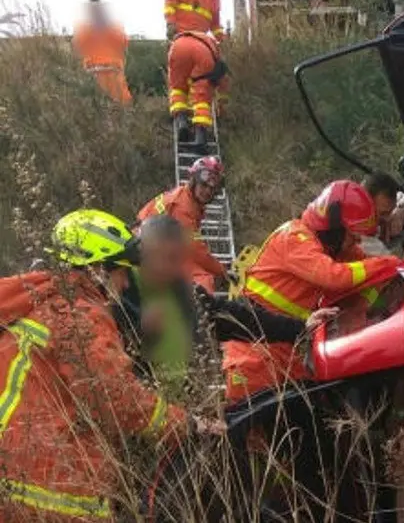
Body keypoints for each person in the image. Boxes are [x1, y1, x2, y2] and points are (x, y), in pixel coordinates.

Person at [0, 209, 221, 522]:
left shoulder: (43, 300)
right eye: (121, 272)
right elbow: (118, 399)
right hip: (46, 484)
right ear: (97, 270)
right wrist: (188, 425)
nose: (126, 284)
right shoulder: (80, 314)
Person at [222, 179, 400, 404]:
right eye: (352, 234)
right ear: (333, 228)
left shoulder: (333, 247)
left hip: (287, 343)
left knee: (304, 416)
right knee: (255, 426)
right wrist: (388, 263)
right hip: (254, 346)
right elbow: (334, 276)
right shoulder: (295, 238)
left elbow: (370, 275)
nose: (356, 241)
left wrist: (359, 307)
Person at [113, 214, 323, 400]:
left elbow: (237, 317)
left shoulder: (181, 291)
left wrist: (301, 328)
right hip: (144, 416)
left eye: (174, 259)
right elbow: (112, 377)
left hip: (183, 410)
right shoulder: (116, 295)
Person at [136, 156, 227, 293]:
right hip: (146, 249)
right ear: (193, 180)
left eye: (212, 189)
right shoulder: (183, 207)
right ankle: (197, 314)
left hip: (153, 243)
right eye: (204, 185)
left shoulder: (185, 197)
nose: (208, 191)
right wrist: (221, 271)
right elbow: (195, 251)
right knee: (203, 280)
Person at [166, 30, 229, 147]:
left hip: (177, 47)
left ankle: (182, 122)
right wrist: (221, 107)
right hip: (201, 53)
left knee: (178, 89)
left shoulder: (208, 41)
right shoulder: (216, 62)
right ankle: (200, 139)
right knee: (201, 99)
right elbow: (222, 88)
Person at [72, 0, 132, 105]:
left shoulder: (114, 27)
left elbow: (123, 43)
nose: (96, 12)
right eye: (93, 10)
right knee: (95, 106)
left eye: (98, 9)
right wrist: (93, 28)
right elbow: (78, 46)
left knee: (121, 105)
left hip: (113, 74)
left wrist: (106, 27)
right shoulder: (83, 29)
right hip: (93, 75)